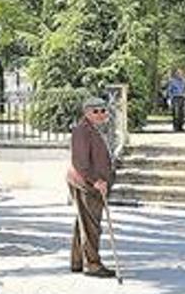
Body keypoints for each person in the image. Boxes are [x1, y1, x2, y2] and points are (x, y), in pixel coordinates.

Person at [67, 98, 116, 278]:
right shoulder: (82, 130)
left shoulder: (92, 129)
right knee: (91, 225)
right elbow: (80, 162)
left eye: (103, 110)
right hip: (86, 184)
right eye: (95, 111)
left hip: (89, 183)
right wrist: (96, 181)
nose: (100, 114)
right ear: (86, 112)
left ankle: (78, 261)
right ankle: (92, 264)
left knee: (84, 222)